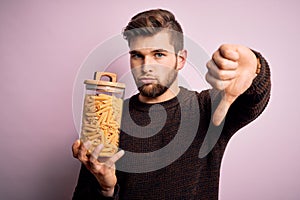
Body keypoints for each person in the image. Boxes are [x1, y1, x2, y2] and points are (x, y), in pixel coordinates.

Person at [72, 9, 271, 200]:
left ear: (181, 59)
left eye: (158, 54)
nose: (146, 66)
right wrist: (106, 189)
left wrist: (255, 66)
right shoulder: (108, 116)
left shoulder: (207, 109)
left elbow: (254, 100)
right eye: (137, 55)